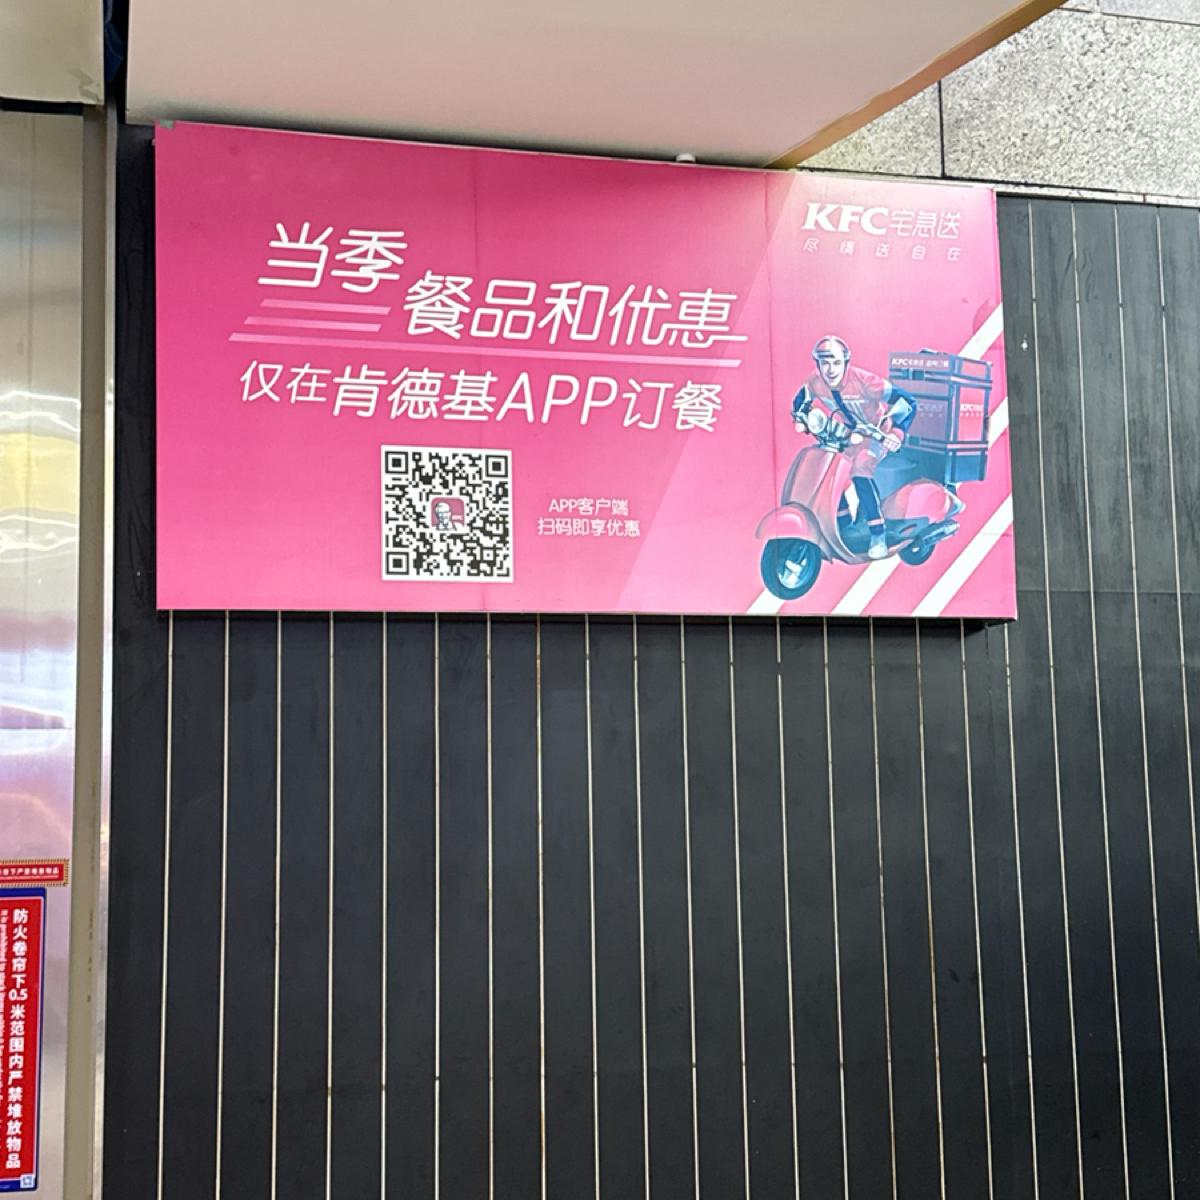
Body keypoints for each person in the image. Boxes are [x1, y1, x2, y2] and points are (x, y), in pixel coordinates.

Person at [792, 335, 914, 559]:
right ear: (817, 363)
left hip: (876, 434)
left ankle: (878, 534)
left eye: (836, 362)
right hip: (848, 435)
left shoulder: (865, 381)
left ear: (846, 363)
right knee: (826, 470)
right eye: (825, 362)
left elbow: (907, 401)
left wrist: (895, 433)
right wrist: (800, 416)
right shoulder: (815, 381)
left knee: (860, 470)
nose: (830, 369)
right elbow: (800, 401)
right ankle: (843, 522)